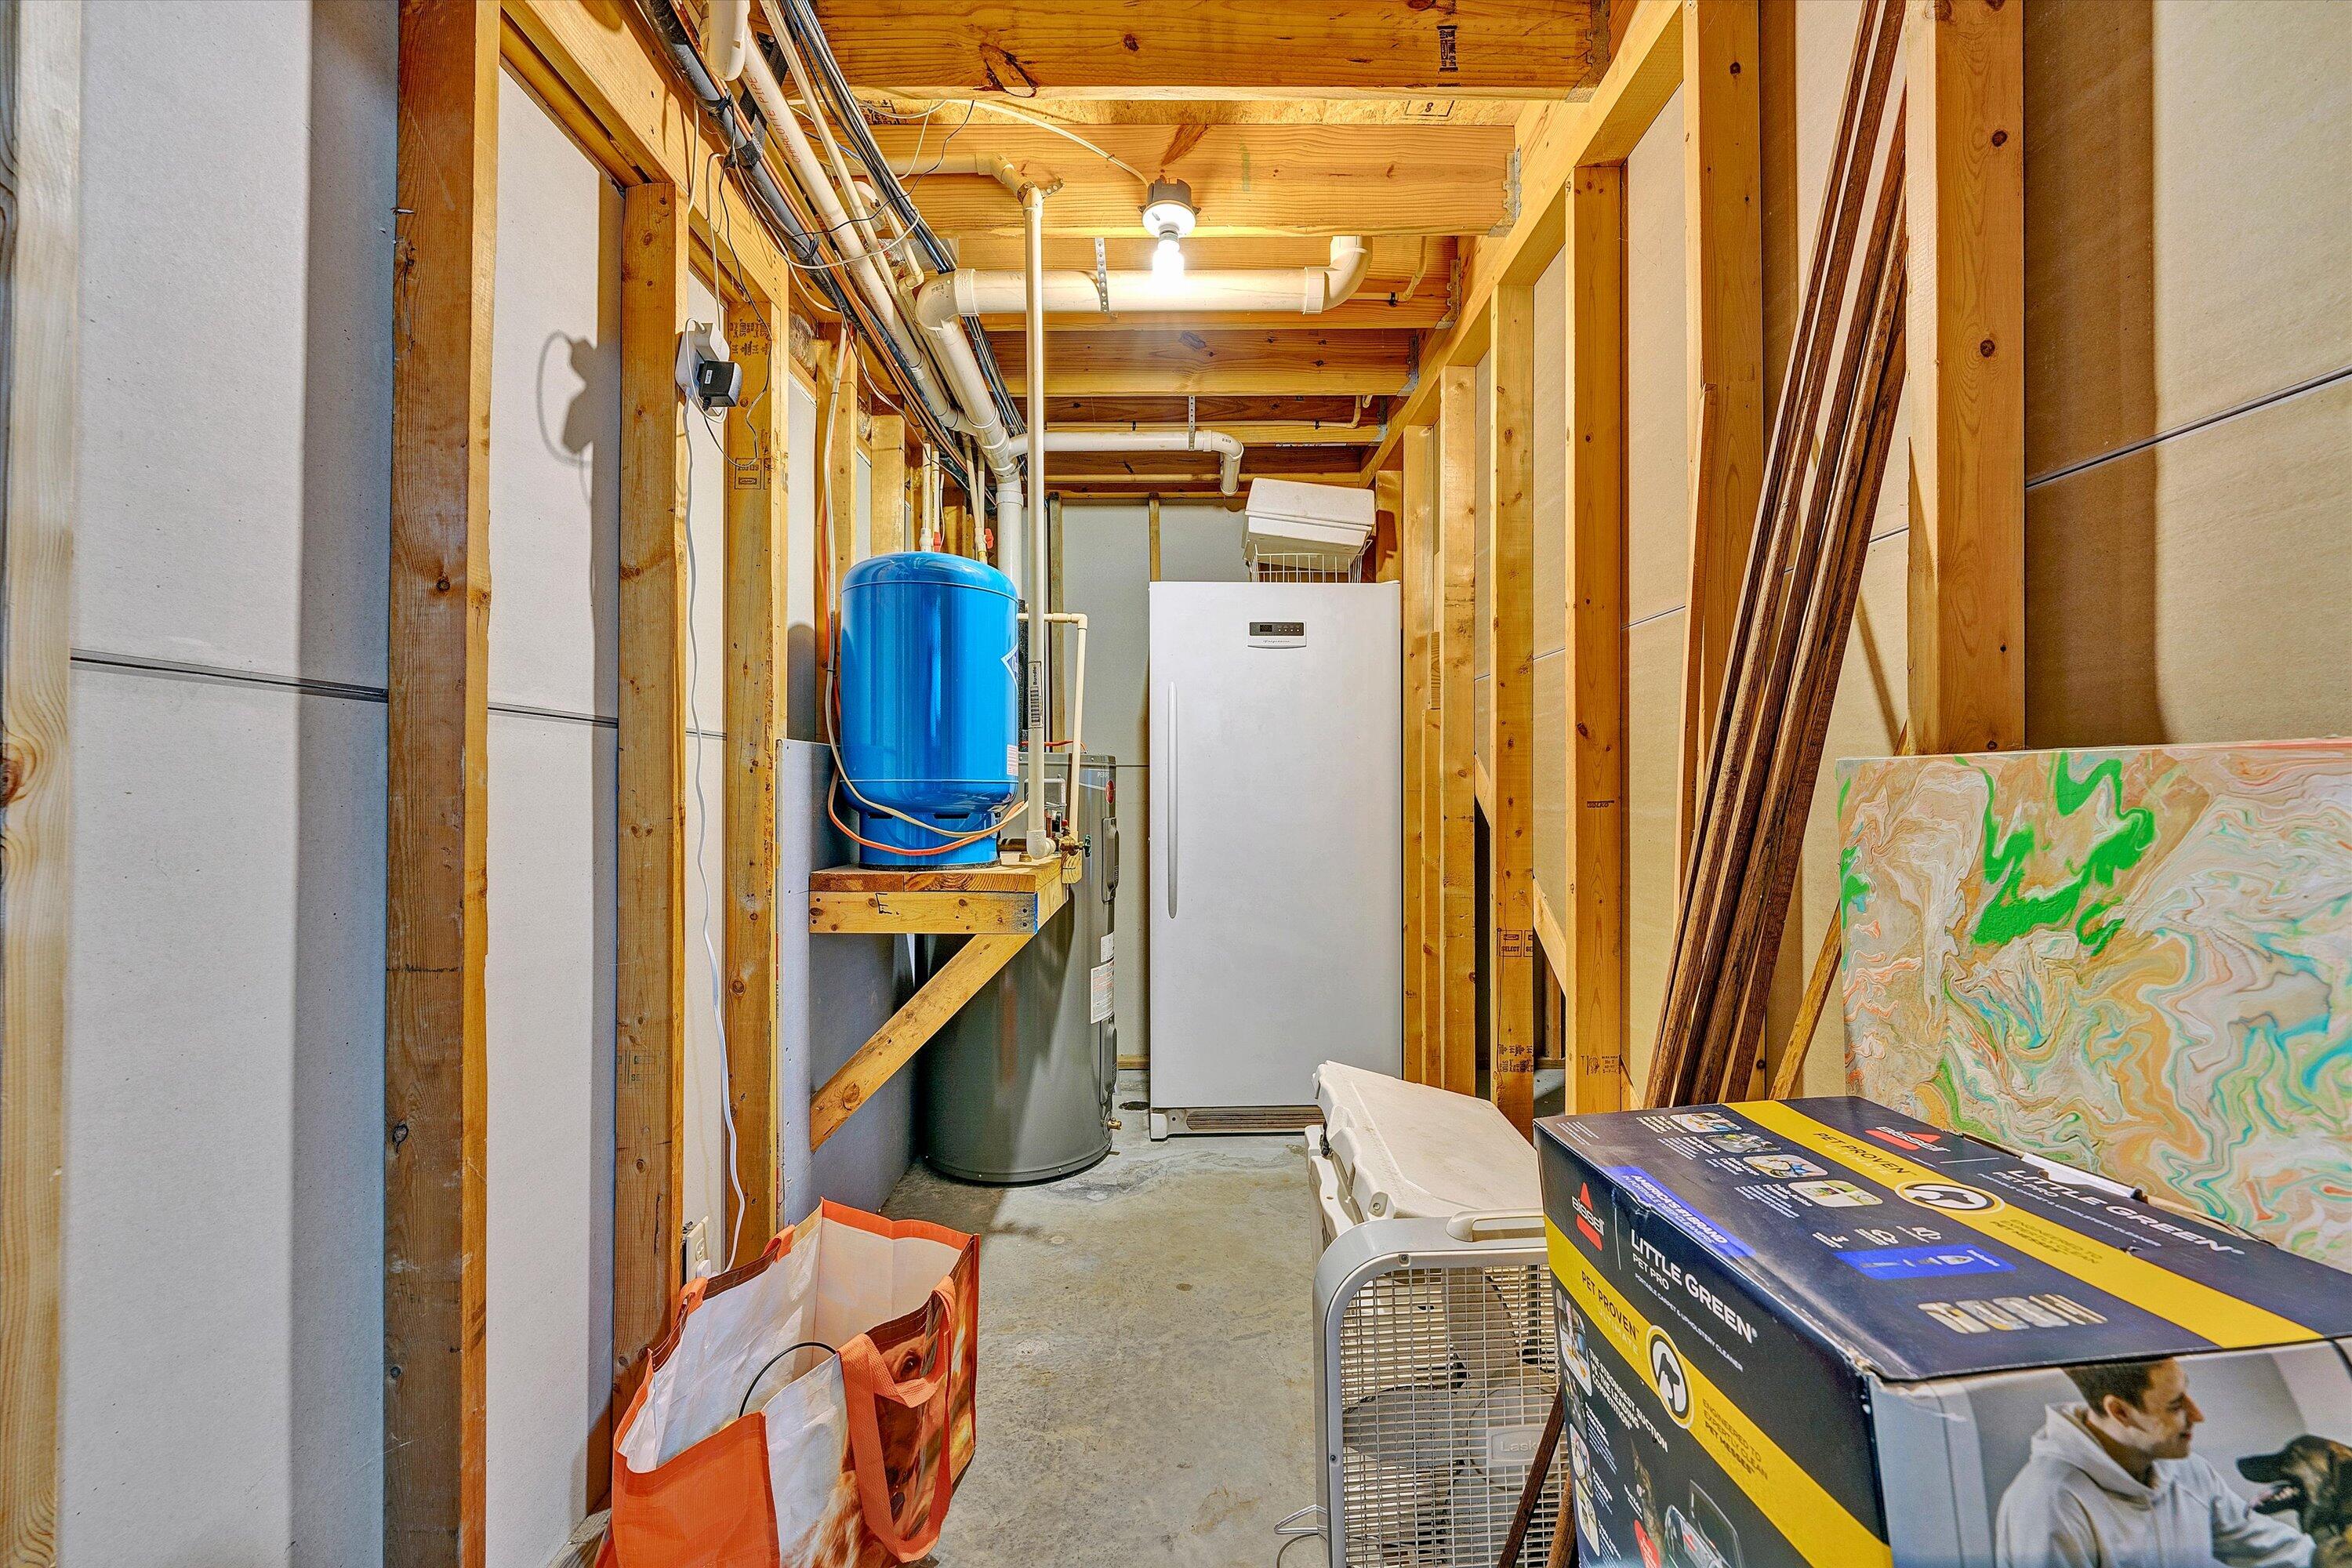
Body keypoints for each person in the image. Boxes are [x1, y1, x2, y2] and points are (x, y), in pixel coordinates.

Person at [1994, 1357, 2310, 1567]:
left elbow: (2281, 1551)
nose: (2198, 1416)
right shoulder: (2048, 1503)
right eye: (2176, 1406)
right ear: (2120, 1412)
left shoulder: (2189, 1471)